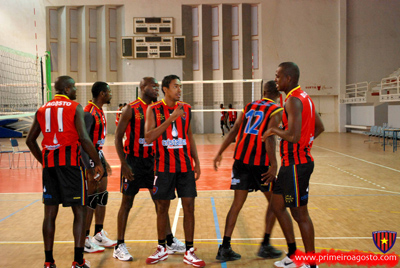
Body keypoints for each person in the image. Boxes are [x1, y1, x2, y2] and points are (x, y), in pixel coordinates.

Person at [26, 76, 104, 268]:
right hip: (70, 167)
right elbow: (85, 139)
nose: (76, 90)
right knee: (80, 211)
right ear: (67, 88)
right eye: (74, 87)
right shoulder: (75, 107)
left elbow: (30, 140)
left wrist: (44, 161)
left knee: (50, 214)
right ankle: (78, 261)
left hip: (50, 167)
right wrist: (96, 163)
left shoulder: (42, 109)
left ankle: (48, 262)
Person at [113, 77, 185, 261]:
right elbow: (117, 137)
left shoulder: (158, 109)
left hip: (153, 162)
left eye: (156, 86)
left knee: (160, 202)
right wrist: (124, 164)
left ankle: (168, 240)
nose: (155, 88)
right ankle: (119, 245)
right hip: (134, 163)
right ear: (142, 87)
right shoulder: (131, 109)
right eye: (152, 85)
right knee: (127, 203)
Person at [213, 81, 283, 262]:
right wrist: (274, 164)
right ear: (278, 93)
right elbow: (269, 138)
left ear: (264, 91)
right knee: (275, 202)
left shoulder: (249, 106)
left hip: (241, 161)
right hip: (260, 163)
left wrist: (220, 152)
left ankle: (225, 247)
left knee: (236, 204)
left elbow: (234, 131)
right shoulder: (276, 110)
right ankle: (265, 244)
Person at [263, 62, 325, 268]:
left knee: (300, 214)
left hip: (297, 166)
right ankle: (294, 254)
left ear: (289, 78)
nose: (276, 79)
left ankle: (311, 263)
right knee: (277, 206)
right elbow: (319, 127)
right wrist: (306, 142)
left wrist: (273, 131)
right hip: (291, 165)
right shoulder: (304, 98)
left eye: (278, 76)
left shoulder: (293, 101)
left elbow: (293, 136)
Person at [144, 75, 205, 267]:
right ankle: (162, 248)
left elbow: (189, 135)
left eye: (180, 86)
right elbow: (148, 137)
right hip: (163, 168)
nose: (179, 89)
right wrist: (171, 119)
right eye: (175, 86)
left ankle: (189, 250)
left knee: (189, 207)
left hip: (185, 167)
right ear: (165, 89)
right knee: (162, 208)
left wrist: (197, 161)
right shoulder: (153, 109)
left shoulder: (186, 109)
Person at [81, 82, 116, 254]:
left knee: (102, 194)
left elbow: (97, 143)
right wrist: (89, 167)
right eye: (109, 91)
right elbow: (84, 143)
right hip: (90, 159)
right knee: (91, 197)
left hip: (98, 155)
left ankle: (98, 233)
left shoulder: (99, 110)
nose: (111, 94)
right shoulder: (89, 112)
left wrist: (103, 160)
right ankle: (85, 239)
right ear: (102, 94)